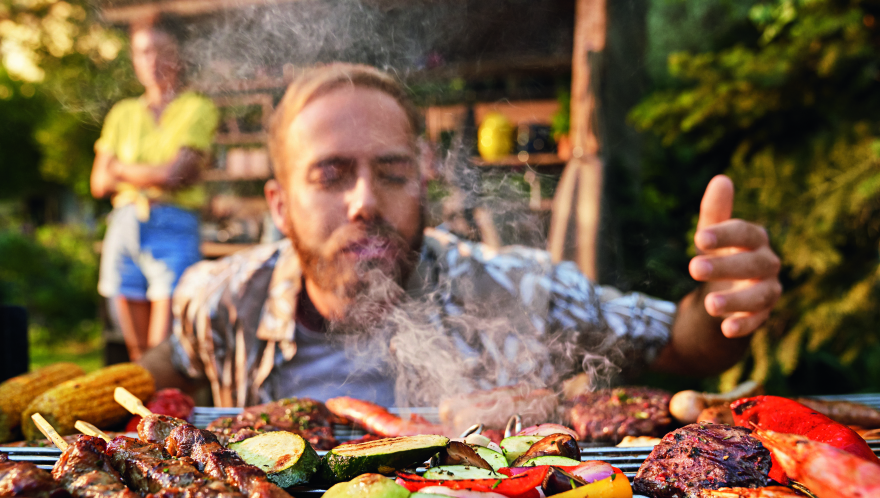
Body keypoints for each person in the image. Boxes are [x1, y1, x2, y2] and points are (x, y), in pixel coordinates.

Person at [140, 63, 781, 408]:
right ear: (279, 205)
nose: (365, 202)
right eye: (331, 175)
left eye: (391, 172)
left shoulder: (518, 291)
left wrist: (723, 305)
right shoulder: (222, 299)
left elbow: (678, 348)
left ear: (424, 181)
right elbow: (172, 365)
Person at [91, 19, 219, 361]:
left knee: (163, 351)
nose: (152, 61)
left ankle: (165, 410)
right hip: (125, 226)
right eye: (143, 52)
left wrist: (120, 168)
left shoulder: (197, 107)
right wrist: (155, 173)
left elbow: (177, 175)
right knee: (136, 353)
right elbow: (98, 182)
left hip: (173, 227)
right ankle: (143, 417)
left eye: (162, 52)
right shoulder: (122, 113)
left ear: (179, 57)